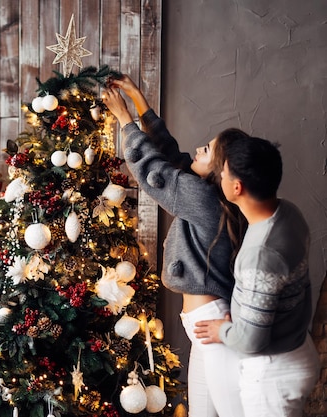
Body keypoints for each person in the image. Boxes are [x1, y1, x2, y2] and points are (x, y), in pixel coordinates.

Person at [104, 75, 247, 417]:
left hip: (211, 324)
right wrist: (139, 102)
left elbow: (155, 171)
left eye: (208, 150)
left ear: (221, 171)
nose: (199, 148)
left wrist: (125, 121)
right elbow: (172, 157)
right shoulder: (211, 193)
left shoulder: (205, 199)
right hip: (203, 323)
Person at [194, 137, 320, 417]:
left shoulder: (261, 255)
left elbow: (252, 341)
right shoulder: (288, 211)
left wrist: (223, 331)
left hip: (274, 374)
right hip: (297, 348)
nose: (219, 176)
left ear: (236, 188)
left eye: (223, 173)